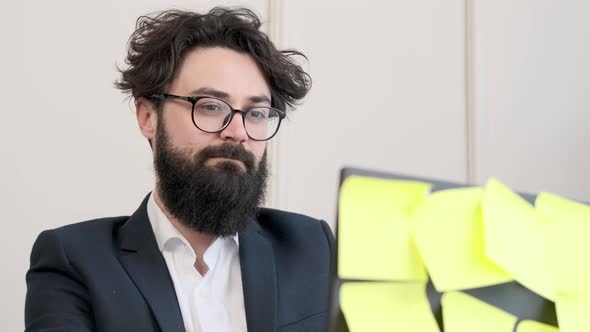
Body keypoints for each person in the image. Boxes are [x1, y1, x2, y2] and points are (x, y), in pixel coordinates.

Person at [25, 7, 334, 332]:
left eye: (256, 113)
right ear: (148, 117)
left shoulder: (312, 247)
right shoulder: (74, 261)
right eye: (211, 107)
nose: (238, 131)